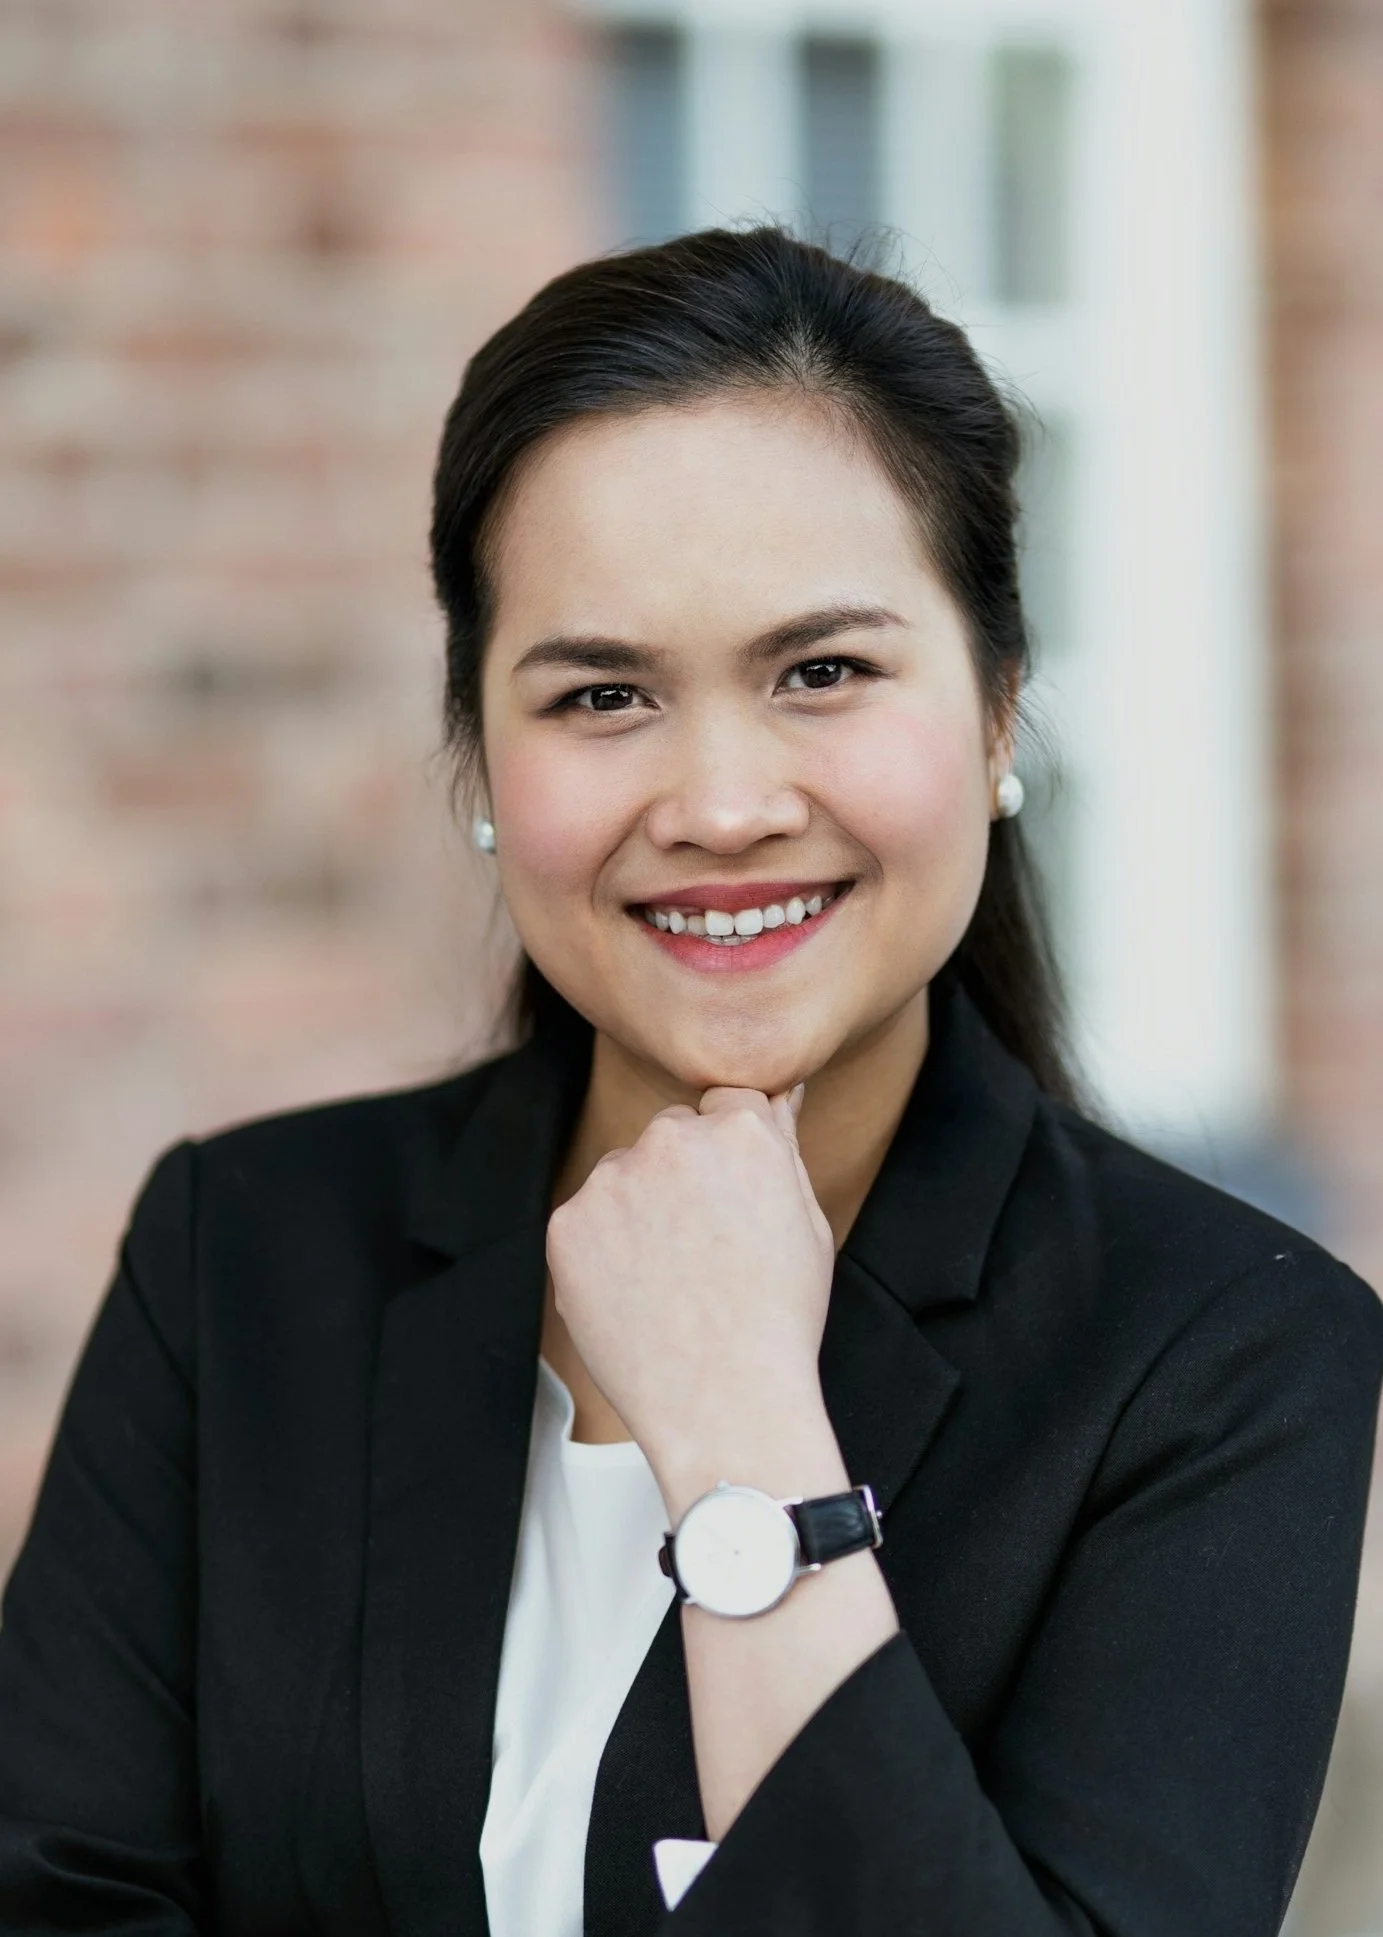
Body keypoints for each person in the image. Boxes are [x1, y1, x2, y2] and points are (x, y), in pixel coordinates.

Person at [1, 226, 1380, 1937]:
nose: (721, 805)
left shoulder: (1219, 1352)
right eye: (602, 693)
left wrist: (745, 1456)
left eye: (822, 672)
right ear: (481, 756)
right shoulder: (246, 1253)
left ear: (999, 709)